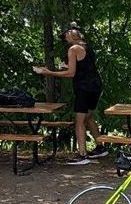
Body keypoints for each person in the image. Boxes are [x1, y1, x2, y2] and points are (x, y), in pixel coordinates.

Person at [35, 24, 108, 165]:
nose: (65, 38)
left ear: (71, 34)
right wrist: (67, 66)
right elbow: (84, 66)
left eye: (65, 35)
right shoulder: (87, 47)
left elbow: (71, 73)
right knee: (89, 117)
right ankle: (100, 147)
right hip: (95, 86)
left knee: (79, 121)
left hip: (84, 88)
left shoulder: (73, 49)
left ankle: (82, 155)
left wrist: (49, 72)